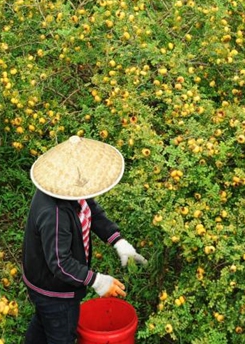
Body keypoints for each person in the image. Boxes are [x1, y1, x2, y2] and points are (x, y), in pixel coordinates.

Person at [22, 135, 147, 344]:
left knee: (44, 323)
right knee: (60, 332)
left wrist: (118, 241)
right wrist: (97, 281)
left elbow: (92, 210)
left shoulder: (69, 190)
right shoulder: (55, 214)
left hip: (47, 282)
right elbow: (61, 264)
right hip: (54, 290)